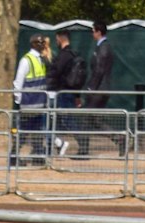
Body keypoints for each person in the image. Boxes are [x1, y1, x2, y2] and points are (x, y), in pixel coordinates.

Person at [12, 35, 50, 162]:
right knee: (23, 132)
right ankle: (13, 156)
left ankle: (38, 155)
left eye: (42, 42)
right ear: (33, 44)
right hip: (28, 104)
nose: (42, 45)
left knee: (38, 132)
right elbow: (18, 82)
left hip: (39, 104)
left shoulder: (41, 60)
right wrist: (18, 102)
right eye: (39, 43)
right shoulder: (26, 60)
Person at [46, 28, 82, 158]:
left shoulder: (63, 55)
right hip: (69, 91)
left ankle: (83, 143)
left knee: (67, 120)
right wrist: (78, 95)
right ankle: (54, 145)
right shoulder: (74, 54)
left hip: (61, 92)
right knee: (58, 121)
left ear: (60, 38)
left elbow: (56, 74)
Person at [80, 20, 114, 156]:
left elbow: (99, 70)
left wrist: (91, 88)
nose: (92, 34)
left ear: (99, 32)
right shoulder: (102, 47)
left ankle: (83, 150)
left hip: (99, 89)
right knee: (95, 121)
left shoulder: (103, 48)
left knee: (85, 119)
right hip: (101, 88)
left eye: (93, 31)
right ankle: (121, 139)